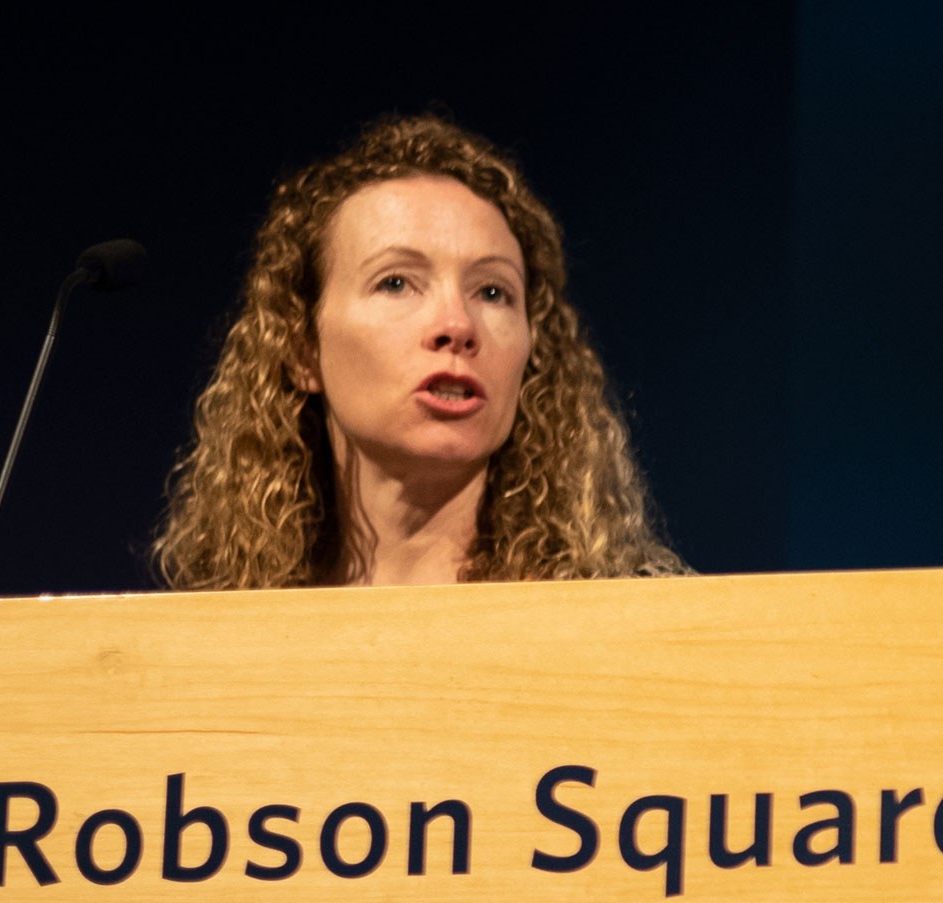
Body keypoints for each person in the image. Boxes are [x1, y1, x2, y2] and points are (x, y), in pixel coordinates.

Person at [156, 115, 681, 588]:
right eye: (397, 283)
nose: (457, 325)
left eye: (493, 292)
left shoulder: (634, 608)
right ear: (302, 349)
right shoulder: (223, 631)